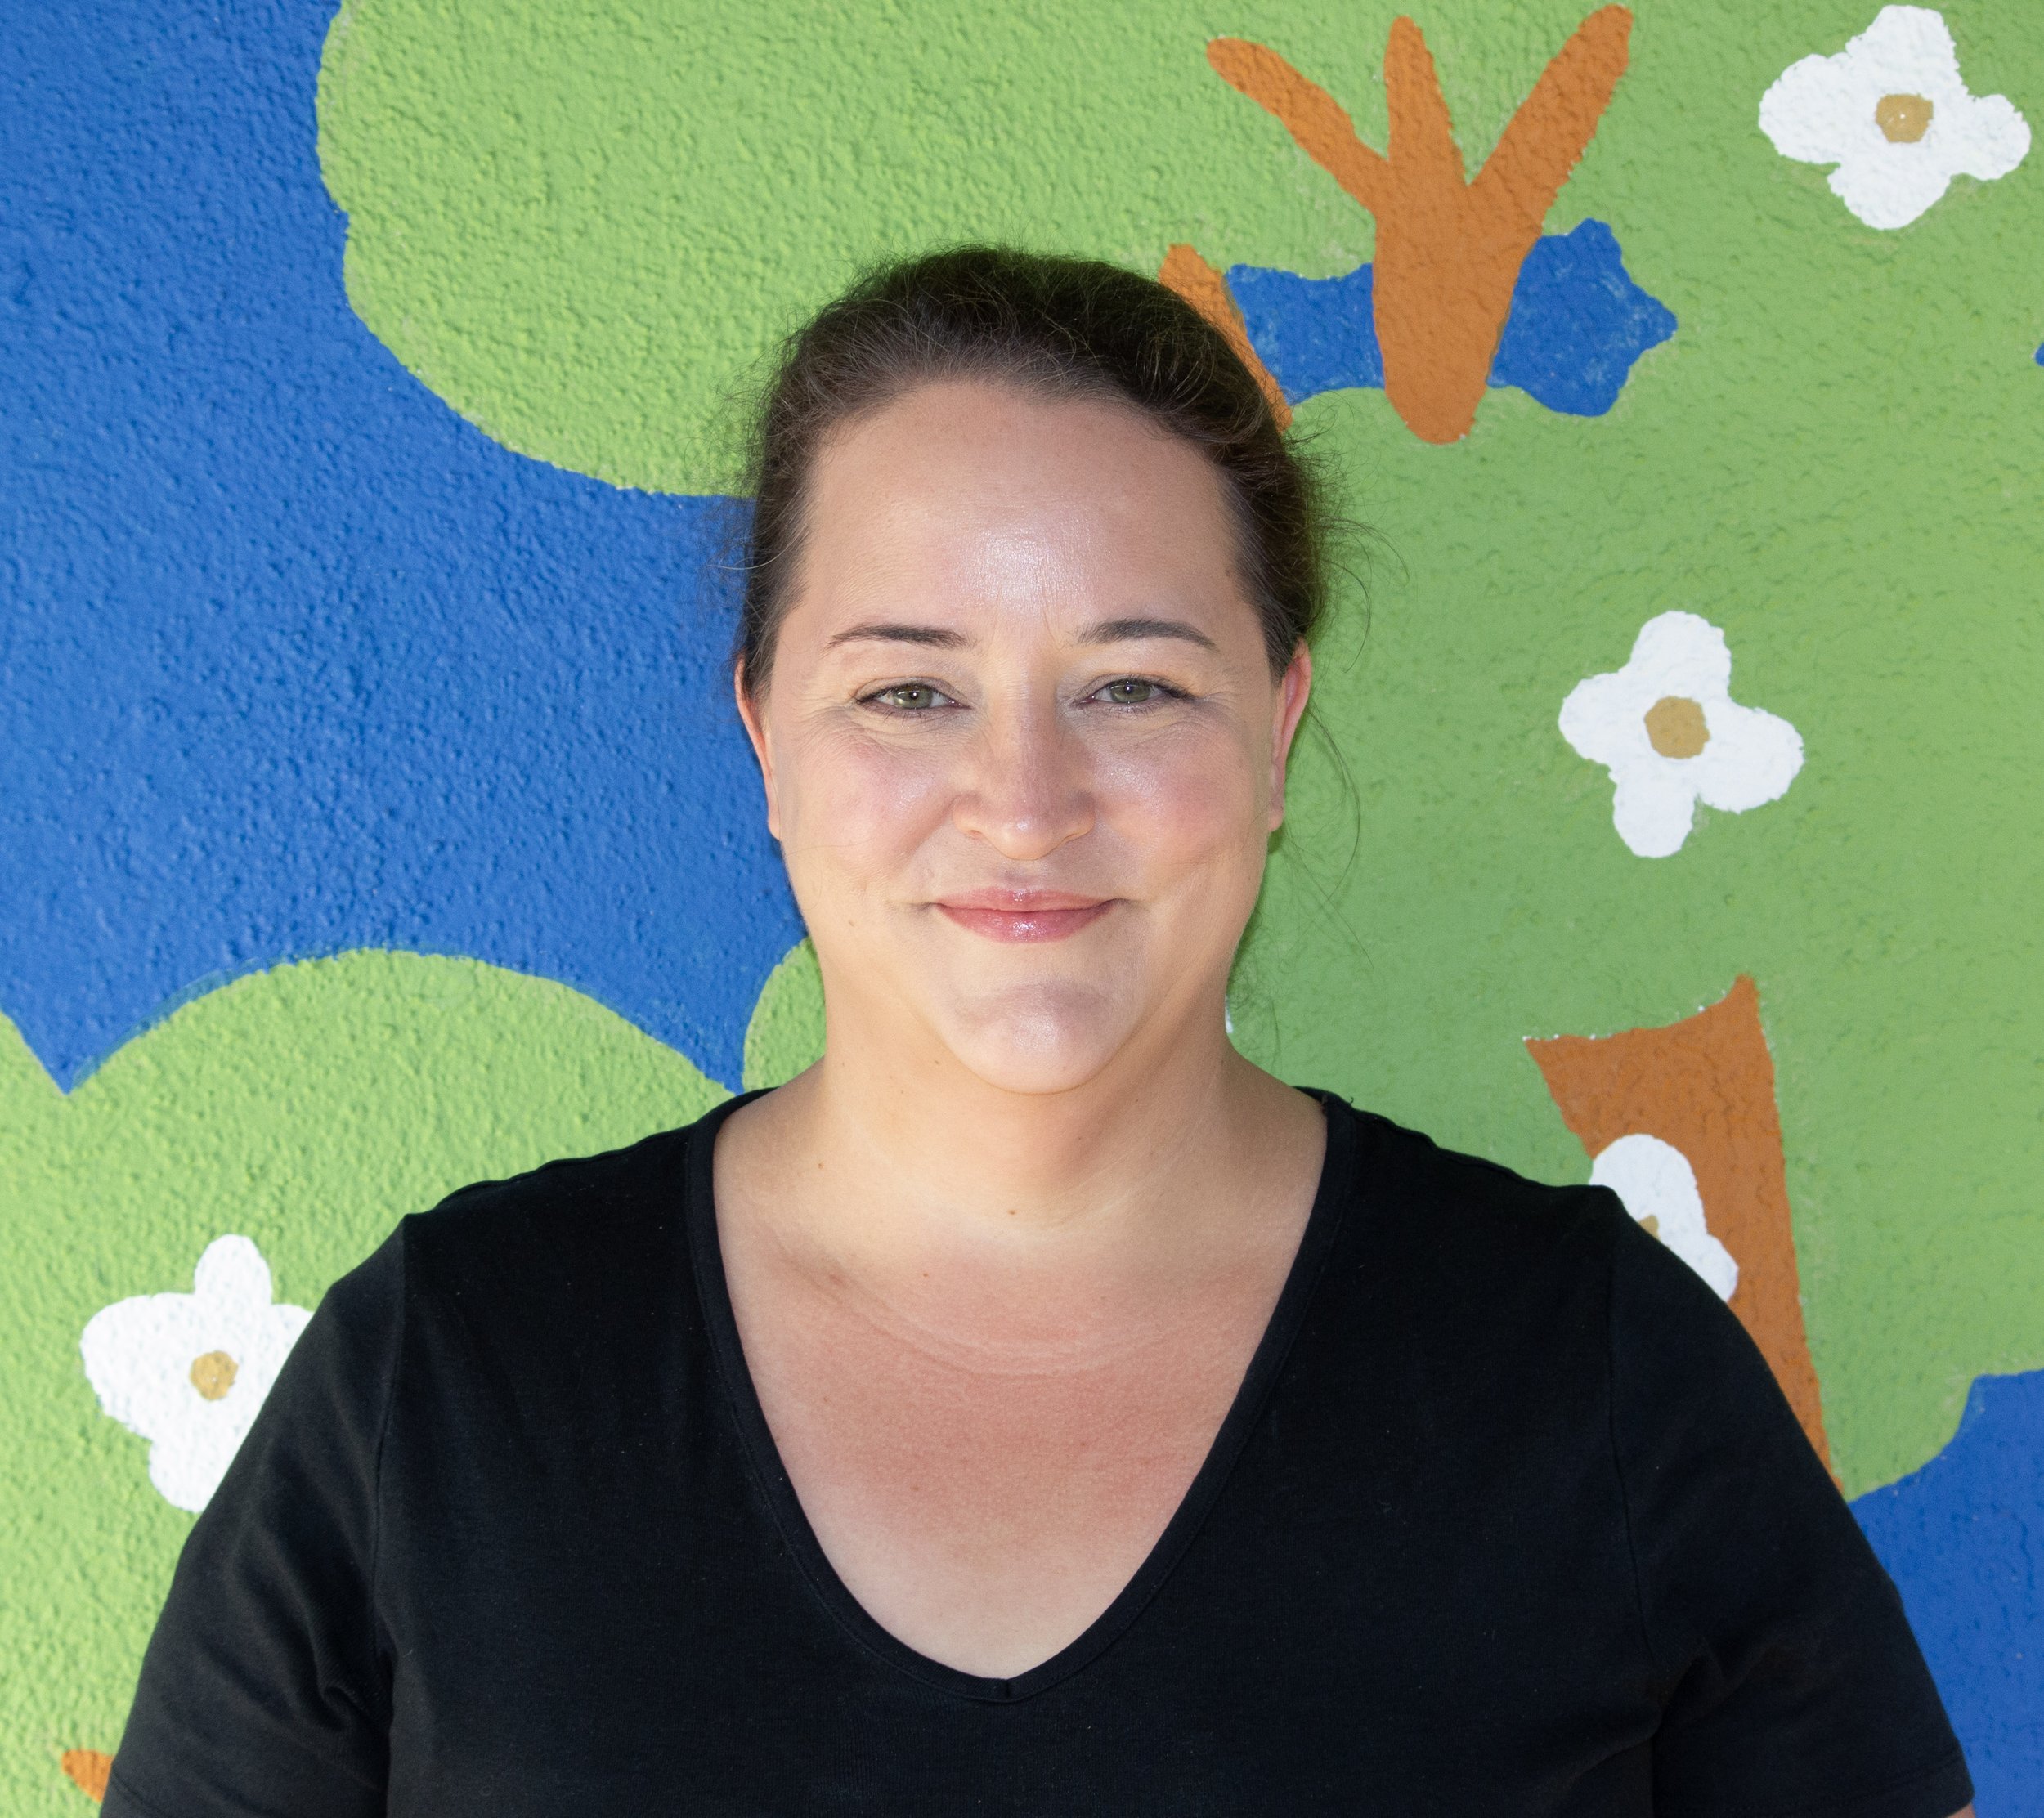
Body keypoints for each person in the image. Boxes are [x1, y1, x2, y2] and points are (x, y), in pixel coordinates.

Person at [102, 247, 1973, 1816]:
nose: (1022, 796)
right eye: (909, 687)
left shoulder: (1592, 1372)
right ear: (765, 731)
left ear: (1273, 724)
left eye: (1132, 683)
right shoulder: (449, 1373)